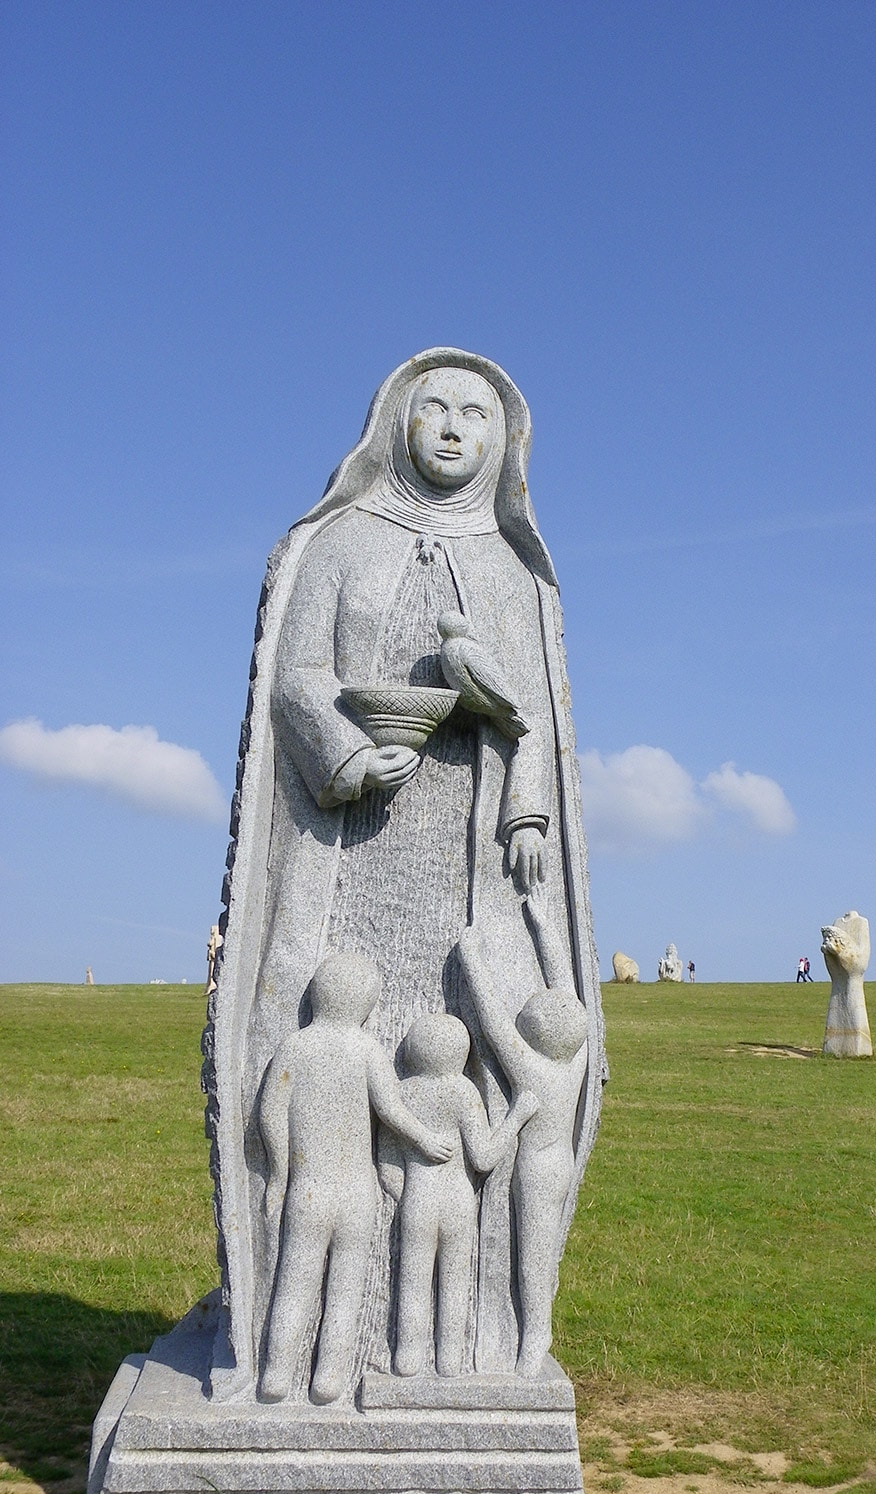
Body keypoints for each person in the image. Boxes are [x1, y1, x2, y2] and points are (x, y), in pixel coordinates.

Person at [206, 349, 606, 1389]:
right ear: (396, 418)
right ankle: (308, 1335)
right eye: (435, 406)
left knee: (474, 1041)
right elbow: (297, 674)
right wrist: (346, 754)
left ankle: (451, 1339)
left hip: (469, 868)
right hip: (345, 855)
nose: (454, 428)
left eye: (478, 414)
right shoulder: (341, 541)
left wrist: (522, 802)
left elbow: (539, 724)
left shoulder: (516, 574)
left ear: (504, 441)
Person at [257, 952, 453, 1405]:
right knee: (345, 1288)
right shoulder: (366, 1048)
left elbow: (270, 1115)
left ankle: (276, 1374)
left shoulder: (295, 1047)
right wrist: (424, 1139)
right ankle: (328, 1379)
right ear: (366, 1005)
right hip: (356, 1193)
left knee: (295, 1280)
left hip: (308, 1191)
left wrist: (280, 1175)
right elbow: (391, 1109)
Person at [457, 883, 588, 1375]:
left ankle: (535, 1333)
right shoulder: (574, 1059)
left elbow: (491, 1021)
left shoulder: (531, 1070)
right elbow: (565, 985)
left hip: (535, 1171)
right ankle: (535, 1329)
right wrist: (542, 923)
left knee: (533, 1258)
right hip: (561, 1163)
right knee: (540, 1251)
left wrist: (472, 959)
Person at [382, 1014, 536, 1378]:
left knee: (413, 1281)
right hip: (458, 1201)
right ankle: (450, 1359)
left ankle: (408, 1356)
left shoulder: (403, 1093)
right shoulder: (463, 1091)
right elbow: (483, 1158)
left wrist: (407, 1192)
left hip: (418, 1199)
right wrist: (516, 1116)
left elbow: (387, 1164)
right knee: (454, 1280)